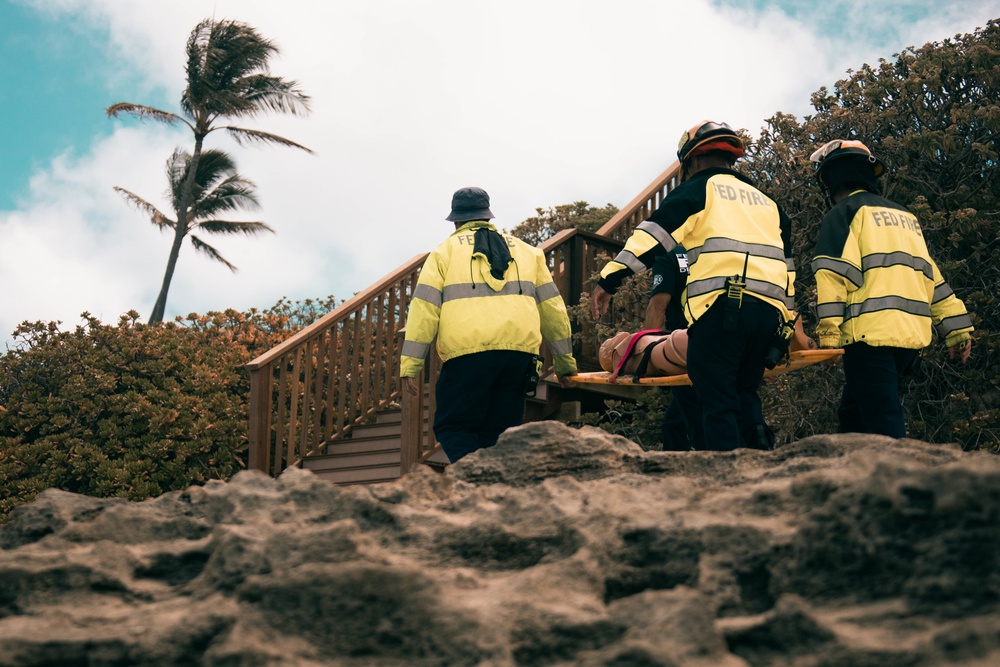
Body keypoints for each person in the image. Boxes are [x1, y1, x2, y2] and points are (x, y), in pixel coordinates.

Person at [592, 120, 798, 451]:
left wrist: (610, 278)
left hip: (723, 314)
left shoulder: (698, 190)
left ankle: (727, 483)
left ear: (693, 161)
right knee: (745, 395)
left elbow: (651, 237)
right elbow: (788, 270)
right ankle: (762, 467)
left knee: (716, 403)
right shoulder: (768, 203)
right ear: (731, 158)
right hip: (769, 316)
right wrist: (787, 324)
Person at [400, 186, 578, 462]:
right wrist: (565, 362)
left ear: (456, 220)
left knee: (453, 426)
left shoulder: (443, 253)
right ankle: (498, 488)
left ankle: (476, 482)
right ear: (488, 216)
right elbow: (553, 309)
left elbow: (424, 311)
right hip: (519, 357)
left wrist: (410, 365)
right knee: (501, 434)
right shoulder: (529, 253)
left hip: (467, 357)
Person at [810, 139, 974, 437]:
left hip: (868, 337)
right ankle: (856, 478)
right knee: (855, 412)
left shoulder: (843, 214)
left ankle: (898, 480)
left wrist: (830, 336)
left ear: (831, 180)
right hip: (909, 338)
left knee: (882, 417)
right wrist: (957, 330)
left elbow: (832, 275)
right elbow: (931, 277)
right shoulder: (905, 217)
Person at [644, 249, 704, 451]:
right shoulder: (713, 248)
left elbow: (659, 305)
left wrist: (647, 355)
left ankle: (709, 468)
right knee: (674, 424)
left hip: (681, 350)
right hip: (721, 339)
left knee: (696, 418)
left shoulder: (669, 256)